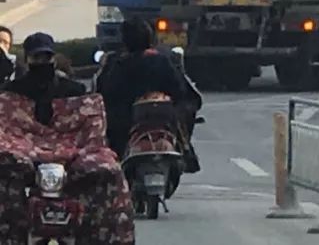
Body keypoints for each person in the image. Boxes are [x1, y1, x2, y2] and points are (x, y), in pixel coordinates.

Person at [97, 19, 199, 169]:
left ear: (124, 40)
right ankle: (186, 151)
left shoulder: (116, 64)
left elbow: (104, 93)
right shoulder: (162, 60)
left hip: (125, 125)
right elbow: (180, 91)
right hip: (152, 124)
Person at [2, 32, 86, 124]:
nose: (41, 62)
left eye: (47, 57)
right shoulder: (12, 91)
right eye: (36, 57)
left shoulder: (74, 91)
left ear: (54, 59)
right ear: (26, 59)